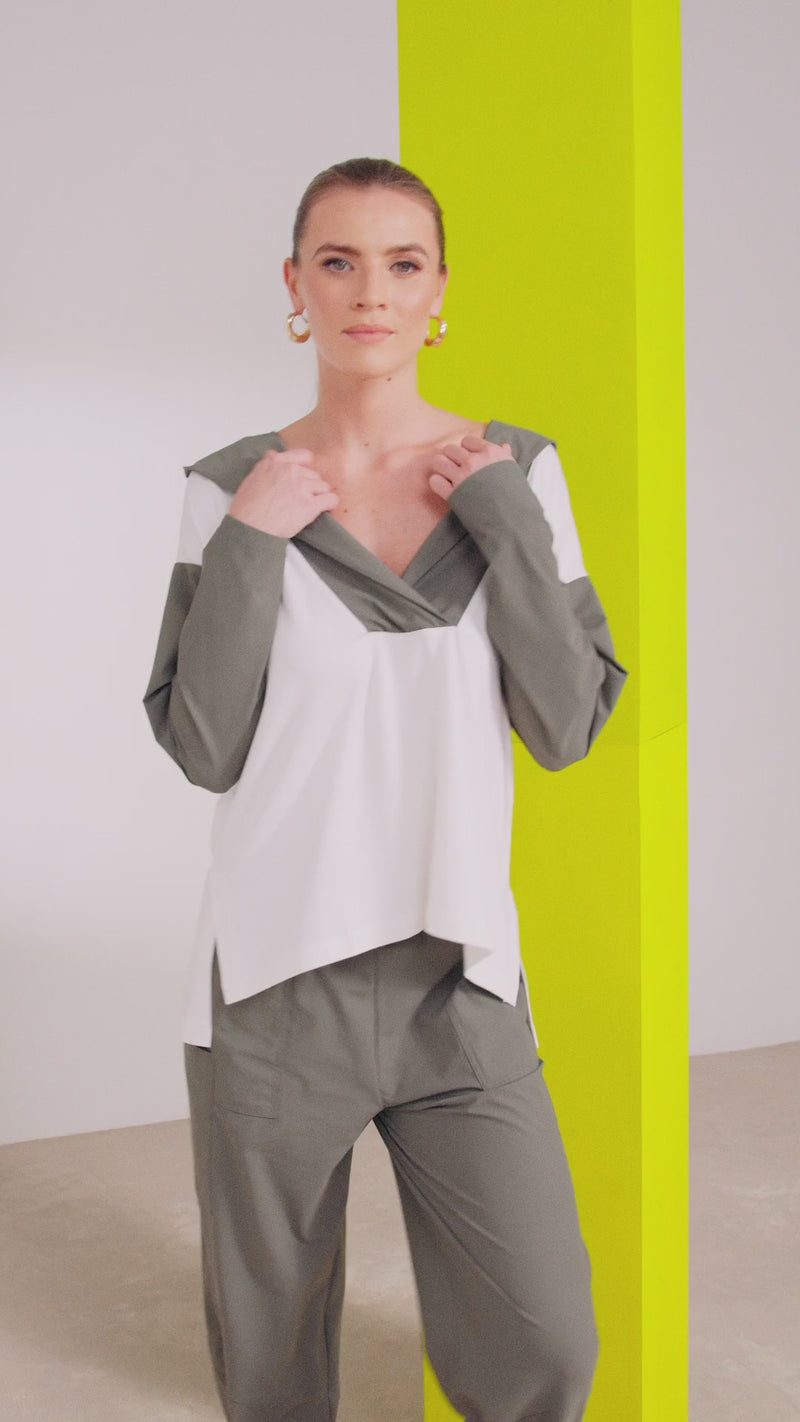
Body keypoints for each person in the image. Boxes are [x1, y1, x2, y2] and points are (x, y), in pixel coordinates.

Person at [143, 156, 627, 1422]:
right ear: (295, 286)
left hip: (456, 978)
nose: (371, 291)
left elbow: (564, 724)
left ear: (439, 291)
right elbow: (203, 744)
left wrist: (505, 520)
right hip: (272, 981)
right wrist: (251, 542)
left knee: (542, 1340)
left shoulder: (516, 473)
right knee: (272, 1367)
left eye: (401, 263)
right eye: (339, 261)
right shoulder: (226, 488)